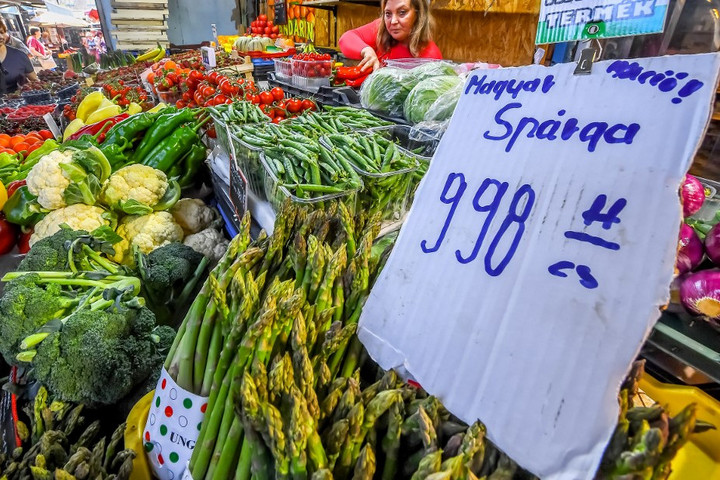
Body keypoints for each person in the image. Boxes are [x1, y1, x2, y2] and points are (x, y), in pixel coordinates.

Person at [338, 0, 441, 72]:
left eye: (402, 12)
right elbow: (346, 39)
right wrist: (366, 50)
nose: (393, 21)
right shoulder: (379, 29)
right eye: (388, 14)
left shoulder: (431, 56)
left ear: (418, 14)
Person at [0, 20, 37, 93]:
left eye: (2, 32)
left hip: (17, 102)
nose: (0, 36)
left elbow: (35, 81)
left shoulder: (19, 56)